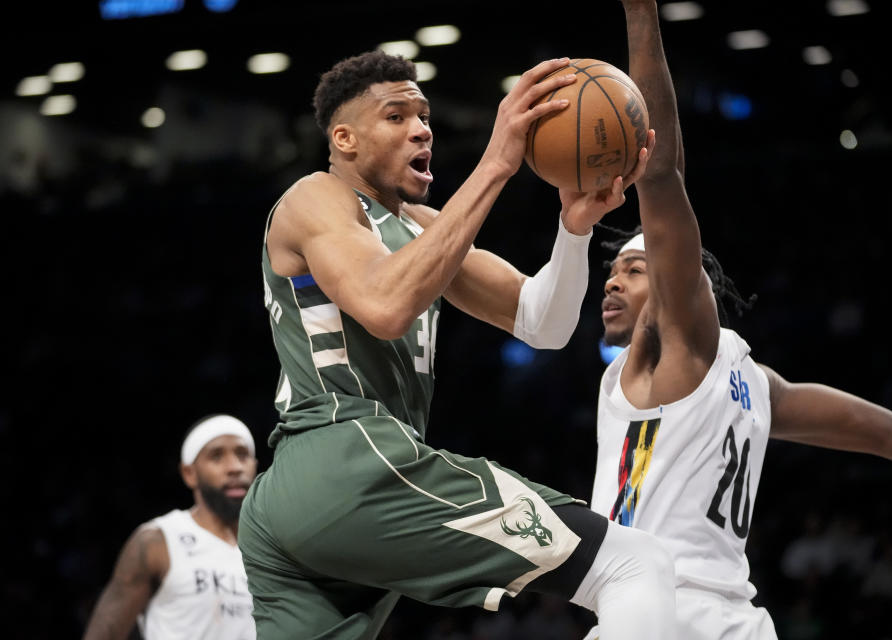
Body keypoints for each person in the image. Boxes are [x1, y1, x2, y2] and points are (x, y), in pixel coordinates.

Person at [238, 50, 677, 640]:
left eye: (424, 115)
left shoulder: (419, 227)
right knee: (635, 565)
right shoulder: (316, 196)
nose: (422, 128)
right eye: (396, 116)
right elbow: (386, 306)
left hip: (293, 508)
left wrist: (574, 230)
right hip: (347, 457)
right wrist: (497, 161)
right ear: (343, 138)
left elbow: (542, 322)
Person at [587, 1, 892, 638]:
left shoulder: (681, 351)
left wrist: (640, 16)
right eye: (612, 272)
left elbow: (660, 169)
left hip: (661, 613)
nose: (613, 282)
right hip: (737, 620)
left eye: (633, 269)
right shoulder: (757, 386)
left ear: (679, 284)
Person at [83, 414, 258, 640]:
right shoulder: (158, 541)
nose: (234, 467)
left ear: (255, 466)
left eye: (242, 455)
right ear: (190, 473)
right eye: (216, 457)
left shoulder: (274, 549)